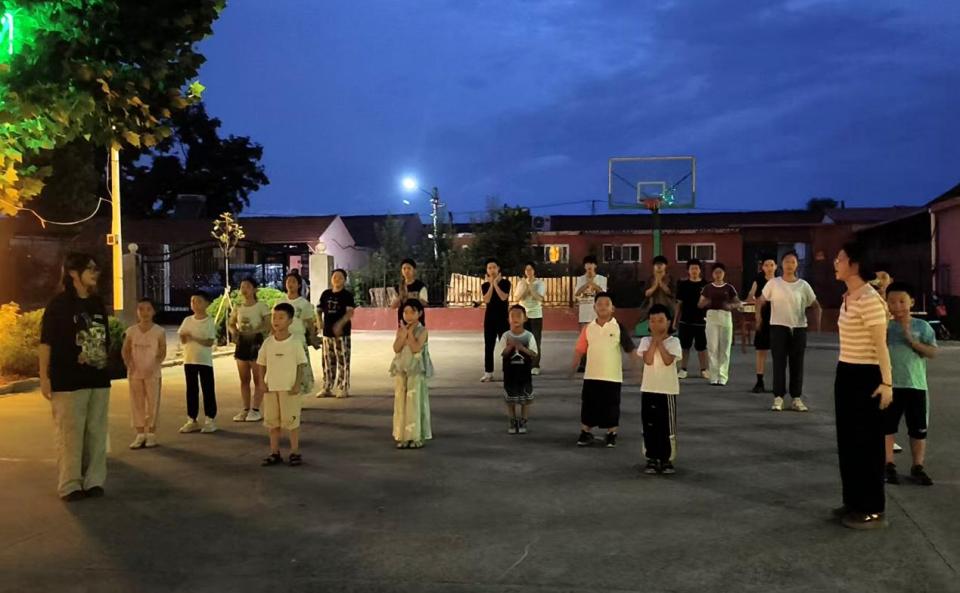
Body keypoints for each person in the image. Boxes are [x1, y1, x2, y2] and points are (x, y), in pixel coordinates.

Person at [39, 253, 112, 501]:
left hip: (98, 378)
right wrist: (44, 377)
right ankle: (70, 484)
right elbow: (46, 343)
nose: (95, 272)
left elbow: (104, 338)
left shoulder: (96, 303)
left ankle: (94, 481)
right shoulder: (59, 305)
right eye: (89, 268)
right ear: (73, 273)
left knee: (96, 432)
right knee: (70, 434)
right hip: (68, 380)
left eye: (95, 268)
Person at [833, 242, 893, 529]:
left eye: (840, 259)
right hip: (846, 370)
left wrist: (887, 383)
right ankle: (853, 502)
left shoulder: (869, 299)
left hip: (867, 375)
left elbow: (881, 345)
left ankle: (872, 508)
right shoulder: (849, 296)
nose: (835, 263)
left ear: (854, 264)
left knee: (867, 443)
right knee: (848, 441)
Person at [883, 282, 938, 487]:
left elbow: (932, 352)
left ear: (912, 302)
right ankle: (888, 465)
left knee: (918, 429)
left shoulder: (922, 326)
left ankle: (918, 467)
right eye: (892, 302)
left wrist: (912, 341)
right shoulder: (884, 326)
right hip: (890, 385)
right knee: (887, 427)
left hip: (915, 385)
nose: (897, 306)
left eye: (902, 301)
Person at [759, 251, 822, 412]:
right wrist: (759, 319)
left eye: (793, 262)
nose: (789, 265)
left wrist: (817, 326)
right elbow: (760, 301)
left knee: (797, 364)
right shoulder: (774, 283)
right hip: (778, 327)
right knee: (779, 363)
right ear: (781, 265)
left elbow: (816, 305)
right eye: (787, 262)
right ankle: (778, 397)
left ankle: (796, 398)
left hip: (799, 328)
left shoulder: (803, 285)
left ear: (797, 265)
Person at [571, 292, 635, 448]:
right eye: (599, 304)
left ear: (613, 308)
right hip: (591, 375)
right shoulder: (588, 328)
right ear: (594, 307)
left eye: (607, 304)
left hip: (612, 376)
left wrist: (637, 369)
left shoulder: (618, 327)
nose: (603, 307)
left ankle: (611, 433)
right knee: (589, 404)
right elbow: (580, 349)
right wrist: (573, 367)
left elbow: (630, 349)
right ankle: (585, 432)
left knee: (611, 405)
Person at [257, 303, 309, 467]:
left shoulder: (295, 342)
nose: (276, 321)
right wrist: (261, 382)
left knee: (291, 421)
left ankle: (294, 452)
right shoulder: (268, 343)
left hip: (289, 388)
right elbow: (261, 364)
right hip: (271, 388)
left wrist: (297, 384)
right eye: (274, 317)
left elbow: (301, 364)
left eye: (281, 317)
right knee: (272, 422)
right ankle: (274, 452)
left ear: (290, 321)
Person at [637, 304, 682, 475]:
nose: (656, 324)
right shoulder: (645, 341)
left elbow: (668, 360)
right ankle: (651, 457)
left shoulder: (674, 342)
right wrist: (653, 341)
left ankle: (666, 458)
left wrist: (659, 342)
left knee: (666, 426)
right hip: (649, 388)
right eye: (652, 321)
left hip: (667, 390)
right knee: (649, 424)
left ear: (669, 322)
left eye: (660, 320)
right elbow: (648, 360)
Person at [121, 298, 166, 449]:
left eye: (148, 309)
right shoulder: (131, 331)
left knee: (153, 403)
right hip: (135, 373)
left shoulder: (159, 331)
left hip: (153, 373)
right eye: (141, 309)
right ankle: (140, 433)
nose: (145, 313)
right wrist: (129, 363)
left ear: (153, 311)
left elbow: (162, 350)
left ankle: (151, 433)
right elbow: (126, 350)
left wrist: (155, 364)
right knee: (137, 403)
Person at [390, 299, 433, 449]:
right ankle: (402, 436)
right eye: (405, 312)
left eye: (412, 312)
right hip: (402, 369)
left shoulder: (423, 331)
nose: (408, 316)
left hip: (416, 370)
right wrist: (403, 335)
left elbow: (415, 348)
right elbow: (396, 348)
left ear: (419, 313)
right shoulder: (400, 330)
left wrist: (408, 333)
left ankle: (416, 436)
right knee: (401, 403)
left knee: (415, 403)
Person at [178, 291, 219, 434]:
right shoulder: (187, 320)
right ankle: (192, 419)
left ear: (207, 304)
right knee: (191, 390)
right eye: (192, 301)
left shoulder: (209, 321)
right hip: (189, 360)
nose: (195, 304)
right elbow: (183, 339)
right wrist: (184, 336)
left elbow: (209, 342)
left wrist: (193, 337)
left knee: (208, 389)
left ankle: (210, 419)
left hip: (204, 361)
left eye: (198, 301)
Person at [229, 277, 269, 422]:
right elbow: (231, 323)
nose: (244, 290)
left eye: (247, 287)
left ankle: (256, 409)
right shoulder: (238, 307)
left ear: (254, 289)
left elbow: (268, 324)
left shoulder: (261, 306)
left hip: (257, 343)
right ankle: (245, 409)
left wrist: (255, 330)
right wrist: (234, 332)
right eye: (242, 287)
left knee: (258, 378)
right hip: (242, 343)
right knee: (244, 379)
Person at [498, 305, 539, 434]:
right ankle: (512, 419)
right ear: (508, 319)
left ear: (525, 318)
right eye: (512, 316)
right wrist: (509, 347)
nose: (515, 318)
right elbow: (502, 353)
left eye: (519, 315)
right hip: (510, 373)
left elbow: (534, 353)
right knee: (511, 399)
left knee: (524, 399)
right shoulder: (505, 336)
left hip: (524, 373)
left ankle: (523, 420)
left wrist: (523, 349)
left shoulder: (529, 336)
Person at [698, 263, 740, 386]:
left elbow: (738, 303)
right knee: (712, 347)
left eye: (720, 272)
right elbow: (700, 304)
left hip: (725, 316)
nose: (718, 275)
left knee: (725, 347)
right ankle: (713, 376)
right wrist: (706, 302)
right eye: (715, 272)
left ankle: (722, 376)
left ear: (724, 274)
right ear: (712, 274)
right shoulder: (707, 288)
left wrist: (730, 306)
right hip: (711, 316)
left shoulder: (729, 288)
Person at [317, 269, 356, 398]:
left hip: (342, 334)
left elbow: (350, 313)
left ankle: (343, 387)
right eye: (335, 277)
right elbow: (319, 309)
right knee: (327, 361)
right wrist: (319, 321)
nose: (337, 279)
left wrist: (340, 324)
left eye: (340, 277)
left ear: (344, 280)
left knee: (343, 361)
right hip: (327, 333)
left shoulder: (347, 295)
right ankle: (327, 386)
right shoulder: (326, 294)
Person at [276, 272, 316, 395]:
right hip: (283, 340)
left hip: (298, 339)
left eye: (293, 281)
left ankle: (299, 394)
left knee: (300, 368)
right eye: (288, 281)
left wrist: (313, 338)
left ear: (299, 285)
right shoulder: (280, 301)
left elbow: (310, 324)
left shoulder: (304, 303)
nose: (290, 284)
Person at [674, 259, 709, 379]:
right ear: (688, 271)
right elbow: (679, 304)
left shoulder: (706, 285)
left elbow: (709, 302)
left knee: (702, 347)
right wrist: (675, 321)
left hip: (701, 321)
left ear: (700, 270)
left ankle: (704, 369)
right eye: (692, 268)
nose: (694, 271)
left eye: (696, 268)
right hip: (686, 320)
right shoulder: (683, 285)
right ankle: (683, 369)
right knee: (685, 347)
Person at [747, 255, 777, 393]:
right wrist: (758, 301)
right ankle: (759, 381)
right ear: (762, 267)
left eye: (771, 265)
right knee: (761, 351)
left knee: (779, 352)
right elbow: (750, 296)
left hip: (778, 318)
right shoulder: (758, 280)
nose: (769, 268)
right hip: (763, 318)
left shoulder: (779, 281)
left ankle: (778, 382)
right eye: (766, 265)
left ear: (776, 266)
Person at [574, 255, 608, 372]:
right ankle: (583, 364)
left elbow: (604, 293)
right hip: (584, 314)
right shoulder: (580, 279)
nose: (589, 266)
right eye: (587, 264)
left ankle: (598, 362)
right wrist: (586, 284)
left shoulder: (601, 279)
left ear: (595, 266)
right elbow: (577, 293)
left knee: (598, 339)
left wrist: (593, 284)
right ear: (584, 266)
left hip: (598, 315)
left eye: (591, 264)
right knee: (585, 340)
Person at [480, 258, 511, 382]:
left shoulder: (506, 283)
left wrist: (495, 284)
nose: (492, 270)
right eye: (489, 268)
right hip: (489, 319)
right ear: (487, 270)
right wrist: (491, 285)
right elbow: (486, 299)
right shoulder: (485, 285)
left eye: (494, 267)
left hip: (503, 318)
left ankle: (507, 372)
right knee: (489, 346)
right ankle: (488, 372)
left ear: (498, 269)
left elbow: (503, 297)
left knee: (505, 346)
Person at [514, 261, 546, 375]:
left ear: (534, 271)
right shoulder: (521, 283)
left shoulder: (540, 283)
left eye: (530, 269)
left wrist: (531, 288)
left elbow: (540, 298)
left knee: (535, 341)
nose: (528, 272)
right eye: (526, 270)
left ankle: (535, 365)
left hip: (536, 315)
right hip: (523, 316)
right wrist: (525, 288)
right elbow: (517, 298)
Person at [390, 258, 429, 326]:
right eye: (404, 268)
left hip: (418, 323)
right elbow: (393, 306)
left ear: (414, 270)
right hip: (403, 323)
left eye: (409, 268)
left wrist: (415, 297)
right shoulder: (398, 287)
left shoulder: (420, 286)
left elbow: (425, 304)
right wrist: (401, 297)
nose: (406, 271)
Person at [642, 255, 675, 324]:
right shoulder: (650, 279)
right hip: (652, 308)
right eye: (657, 264)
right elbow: (647, 294)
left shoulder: (670, 278)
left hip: (667, 309)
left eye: (661, 264)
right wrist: (656, 284)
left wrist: (661, 282)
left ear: (665, 266)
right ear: (654, 266)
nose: (659, 266)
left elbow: (670, 292)